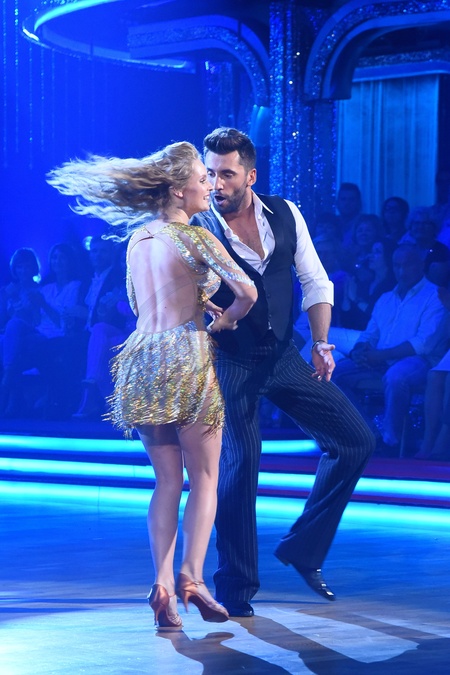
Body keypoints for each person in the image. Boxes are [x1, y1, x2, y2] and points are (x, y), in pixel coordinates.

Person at [47, 141, 257, 630]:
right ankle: (191, 577)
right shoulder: (197, 237)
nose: (210, 186)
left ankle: (161, 583)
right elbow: (246, 292)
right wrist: (224, 319)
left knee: (166, 480)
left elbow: (140, 305)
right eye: (203, 179)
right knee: (204, 477)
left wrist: (192, 297)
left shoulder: (137, 239)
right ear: (180, 190)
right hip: (186, 354)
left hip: (142, 359)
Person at [191, 127, 375, 617]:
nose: (216, 184)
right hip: (229, 360)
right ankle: (235, 588)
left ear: (250, 176)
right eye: (210, 174)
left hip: (282, 354)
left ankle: (304, 549)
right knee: (240, 467)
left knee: (355, 440)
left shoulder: (285, 213)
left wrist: (321, 342)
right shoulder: (199, 226)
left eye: (226, 174)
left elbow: (315, 280)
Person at [334, 243, 447, 454]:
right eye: (397, 265)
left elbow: (424, 343)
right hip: (379, 358)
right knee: (331, 375)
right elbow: (370, 334)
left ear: (421, 264)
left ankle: (390, 441)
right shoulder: (386, 298)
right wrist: (359, 350)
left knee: (396, 376)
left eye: (407, 265)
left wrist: (379, 355)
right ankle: (369, 433)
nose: (401, 271)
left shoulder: (434, 296)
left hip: (420, 360)